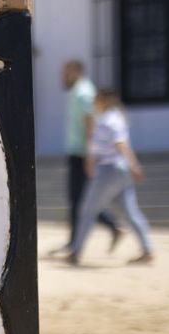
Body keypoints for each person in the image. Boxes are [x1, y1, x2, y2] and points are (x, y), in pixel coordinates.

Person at [69, 88, 155, 265]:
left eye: (96, 100)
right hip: (118, 171)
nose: (93, 103)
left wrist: (135, 165)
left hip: (109, 170)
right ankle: (147, 249)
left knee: (87, 210)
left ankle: (76, 251)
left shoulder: (110, 120)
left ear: (103, 101)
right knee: (129, 212)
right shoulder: (110, 118)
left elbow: (120, 144)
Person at [55, 59, 119, 256]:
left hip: (82, 155)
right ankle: (77, 241)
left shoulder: (83, 92)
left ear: (74, 71)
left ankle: (76, 243)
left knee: (79, 199)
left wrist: (89, 155)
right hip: (80, 153)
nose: (62, 76)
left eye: (65, 71)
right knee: (80, 199)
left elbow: (90, 124)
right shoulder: (79, 91)